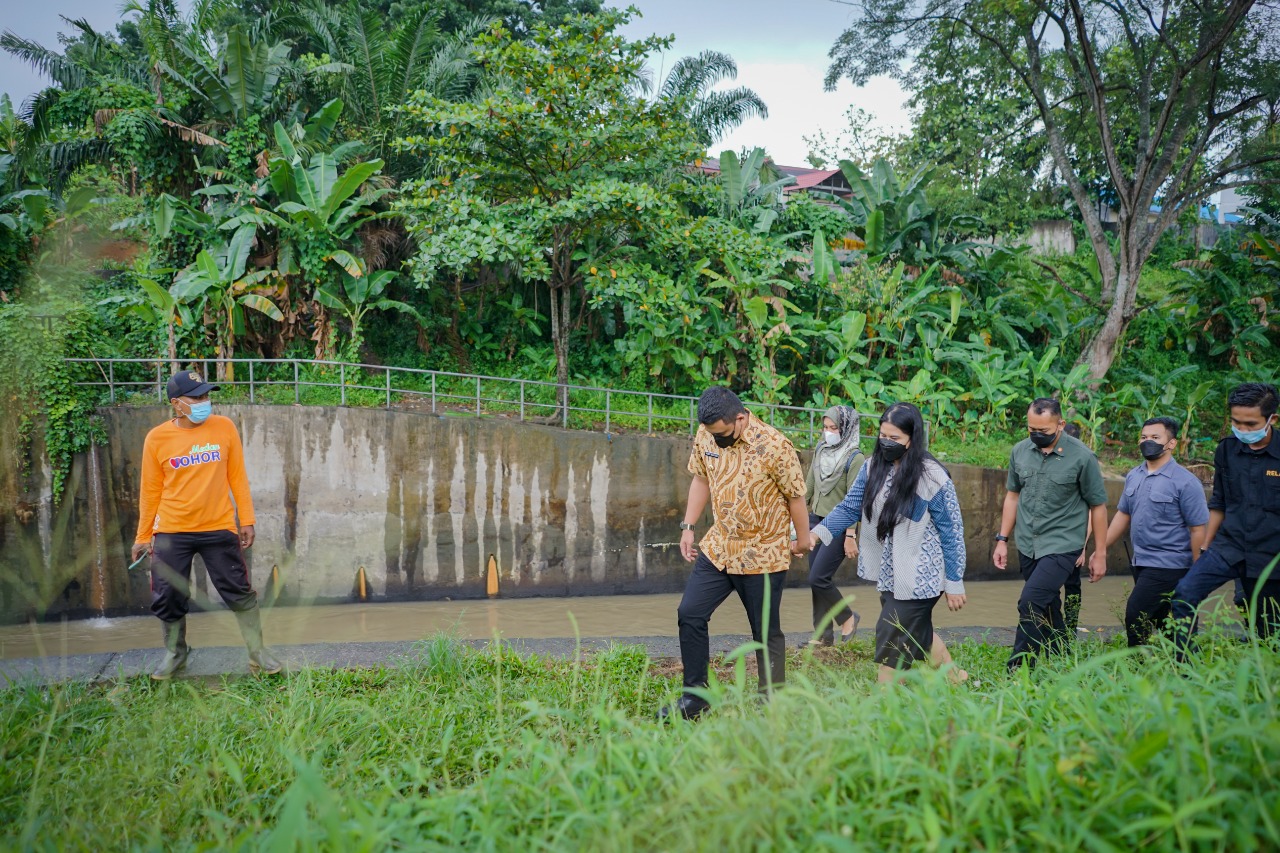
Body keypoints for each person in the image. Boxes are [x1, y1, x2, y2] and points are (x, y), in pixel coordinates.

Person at [660, 387, 810, 720]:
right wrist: (688, 526)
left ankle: (771, 703)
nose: (717, 440)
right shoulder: (706, 433)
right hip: (720, 547)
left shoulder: (775, 447)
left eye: (723, 434)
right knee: (690, 613)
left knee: (765, 632)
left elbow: (796, 499)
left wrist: (802, 541)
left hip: (763, 553)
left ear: (740, 418)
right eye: (712, 434)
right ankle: (695, 698)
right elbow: (701, 478)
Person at [131, 370, 283, 680]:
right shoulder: (157, 439)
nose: (204, 402)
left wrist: (248, 519)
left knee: (238, 591)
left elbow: (237, 476)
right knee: (168, 594)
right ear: (177, 404)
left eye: (206, 396)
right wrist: (143, 536)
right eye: (196, 397)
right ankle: (176, 654)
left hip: (218, 526)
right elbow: (150, 491)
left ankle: (257, 652)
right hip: (172, 530)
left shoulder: (224, 428)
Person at [810, 403, 968, 683]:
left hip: (922, 573)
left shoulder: (932, 477)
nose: (887, 443)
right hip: (891, 571)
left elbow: (951, 532)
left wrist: (954, 582)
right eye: (883, 435)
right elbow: (849, 508)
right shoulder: (873, 468)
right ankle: (955, 677)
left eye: (895, 438)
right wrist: (815, 534)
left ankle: (885, 701)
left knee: (892, 630)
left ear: (912, 439)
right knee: (918, 631)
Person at [995, 398, 1109, 670]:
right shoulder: (1020, 451)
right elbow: (1012, 497)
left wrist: (1100, 553)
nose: (1036, 435)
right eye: (1030, 428)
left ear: (1060, 424)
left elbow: (1098, 506)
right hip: (1028, 543)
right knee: (1046, 605)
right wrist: (1002, 539)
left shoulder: (1082, 457)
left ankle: (1020, 669)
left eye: (1043, 431)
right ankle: (1061, 656)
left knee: (1030, 602)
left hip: (1063, 544)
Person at [1170, 383, 1280, 658]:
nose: (1242, 430)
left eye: (1250, 423)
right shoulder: (1227, 450)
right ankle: (1184, 667)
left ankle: (1262, 674)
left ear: (1272, 419)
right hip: (1228, 546)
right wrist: (1205, 548)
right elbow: (1219, 502)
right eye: (1236, 422)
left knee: (1266, 627)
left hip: (1270, 554)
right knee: (1185, 593)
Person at [1101, 417, 1208, 646]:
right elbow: (1123, 514)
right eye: (1143, 437)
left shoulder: (1186, 482)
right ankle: (1184, 660)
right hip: (1141, 560)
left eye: (1155, 437)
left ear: (1171, 444)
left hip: (1170, 563)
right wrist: (1101, 549)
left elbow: (1198, 528)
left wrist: (1198, 570)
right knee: (1164, 617)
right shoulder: (1134, 475)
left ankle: (1136, 663)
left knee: (1135, 613)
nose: (1147, 441)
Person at [800, 405, 864, 647]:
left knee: (819, 578)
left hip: (838, 525)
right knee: (815, 578)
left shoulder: (855, 458)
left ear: (846, 429)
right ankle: (823, 635)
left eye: (833, 428)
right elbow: (809, 485)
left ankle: (848, 617)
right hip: (815, 521)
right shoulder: (821, 449)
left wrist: (850, 534)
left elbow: (855, 500)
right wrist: (796, 517)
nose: (828, 432)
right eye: (825, 427)